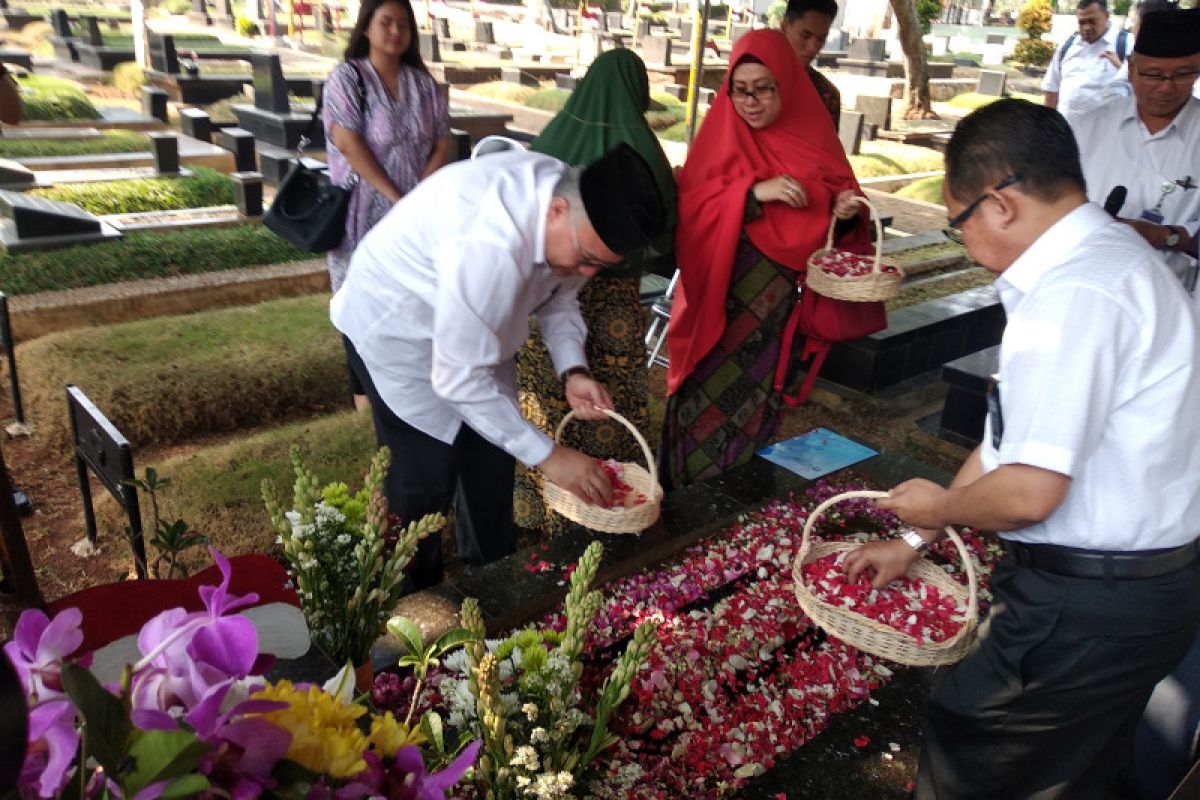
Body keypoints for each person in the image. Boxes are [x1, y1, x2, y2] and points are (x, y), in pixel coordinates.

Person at [844, 98, 1200, 798]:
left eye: (958, 222)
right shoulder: (1109, 257)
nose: (963, 241)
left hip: (1092, 601)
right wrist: (918, 538)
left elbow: (1031, 489)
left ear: (999, 204)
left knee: (978, 757)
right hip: (1138, 592)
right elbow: (1013, 437)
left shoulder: (1076, 295)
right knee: (1068, 771)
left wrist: (940, 500)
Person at [331, 144, 666, 590]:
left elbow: (559, 297)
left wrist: (574, 371)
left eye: (598, 267)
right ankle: (408, 610)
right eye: (587, 258)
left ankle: (490, 589)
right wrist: (551, 456)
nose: (586, 274)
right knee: (421, 488)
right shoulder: (487, 244)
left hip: (474, 331)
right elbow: (455, 380)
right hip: (397, 330)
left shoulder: (567, 202)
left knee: (490, 467)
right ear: (557, 211)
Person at [658, 29, 865, 489]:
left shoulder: (814, 140)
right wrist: (750, 194)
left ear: (785, 87)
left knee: (758, 401)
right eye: (740, 90)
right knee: (703, 398)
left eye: (763, 90)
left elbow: (839, 215)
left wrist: (844, 211)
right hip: (719, 307)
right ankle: (686, 496)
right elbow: (692, 205)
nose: (750, 102)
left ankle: (735, 496)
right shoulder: (720, 136)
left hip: (774, 319)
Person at [513, 48, 677, 534]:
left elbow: (562, 300)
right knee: (612, 404)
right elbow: (663, 232)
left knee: (553, 397)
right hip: (616, 303)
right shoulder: (642, 152)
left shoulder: (549, 139)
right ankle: (599, 503)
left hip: (545, 286)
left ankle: (544, 511)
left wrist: (574, 368)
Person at [324, 0, 451, 410]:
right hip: (362, 211)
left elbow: (443, 141)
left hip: (415, 211)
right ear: (366, 28)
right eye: (386, 22)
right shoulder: (348, 78)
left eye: (403, 25)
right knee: (357, 297)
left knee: (408, 293)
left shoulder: (424, 85)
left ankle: (403, 389)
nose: (395, 31)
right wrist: (396, 195)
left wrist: (419, 191)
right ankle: (365, 397)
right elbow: (347, 141)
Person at [1071, 7, 1199, 299]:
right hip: (1086, 290)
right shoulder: (1088, 127)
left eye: (1183, 75)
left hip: (1173, 302)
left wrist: (1166, 236)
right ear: (1131, 68)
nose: (1166, 88)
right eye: (1153, 75)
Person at [1042, 0, 1131, 119]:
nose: (1087, 27)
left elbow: (1141, 90)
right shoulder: (1067, 45)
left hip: (1108, 135)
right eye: (1082, 22)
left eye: (1092, 21)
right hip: (1066, 134)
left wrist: (1121, 68)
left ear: (1106, 16)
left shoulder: (1126, 45)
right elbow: (1051, 89)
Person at [780, 0, 842, 122]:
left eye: (821, 38)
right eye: (805, 35)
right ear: (785, 26)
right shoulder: (750, 77)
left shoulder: (826, 94)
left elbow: (826, 141)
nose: (813, 47)